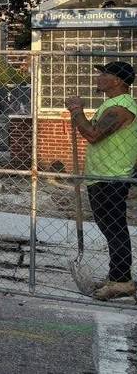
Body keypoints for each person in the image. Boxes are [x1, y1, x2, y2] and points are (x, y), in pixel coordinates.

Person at [67, 61, 137, 301]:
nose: (99, 77)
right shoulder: (111, 105)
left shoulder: (121, 108)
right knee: (110, 228)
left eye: (104, 74)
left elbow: (93, 135)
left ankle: (121, 282)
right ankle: (117, 276)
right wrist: (77, 115)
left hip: (112, 177)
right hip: (101, 177)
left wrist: (76, 110)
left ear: (118, 80)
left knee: (115, 228)